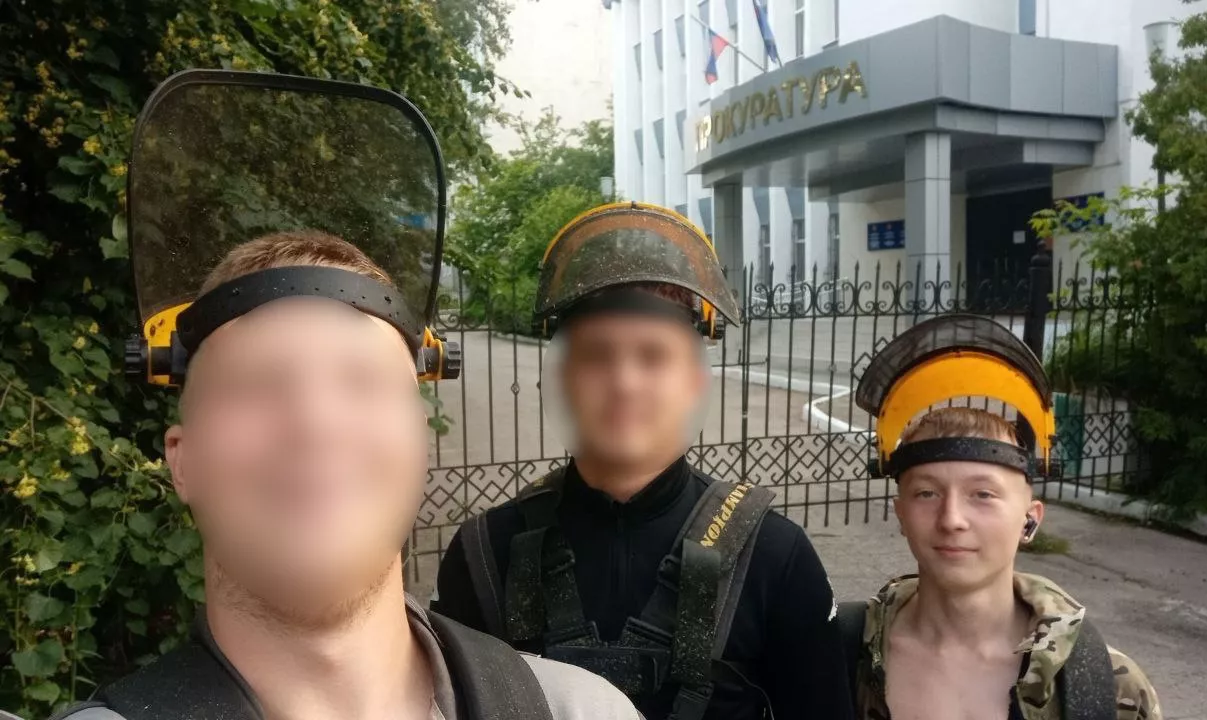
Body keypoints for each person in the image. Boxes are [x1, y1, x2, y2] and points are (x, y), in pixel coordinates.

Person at [52, 70, 640, 720]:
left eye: (363, 381)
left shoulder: (579, 711)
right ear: (181, 461)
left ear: (419, 442)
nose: (316, 420)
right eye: (257, 385)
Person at [432, 202, 854, 720]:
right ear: (560, 379)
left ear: (694, 381)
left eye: (653, 356)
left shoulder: (774, 556)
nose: (624, 383)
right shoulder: (484, 554)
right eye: (596, 355)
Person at [839, 314, 1162, 720]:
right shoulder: (840, 658)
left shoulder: (1106, 687)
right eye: (927, 493)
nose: (952, 519)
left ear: (1030, 519)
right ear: (900, 514)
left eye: (983, 494)